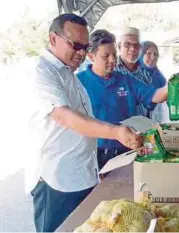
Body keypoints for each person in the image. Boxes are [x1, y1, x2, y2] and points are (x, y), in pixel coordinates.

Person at [25, 14, 142, 232]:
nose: (81, 53)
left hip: (83, 174)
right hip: (56, 179)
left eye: (85, 46)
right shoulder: (42, 72)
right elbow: (63, 116)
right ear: (53, 39)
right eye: (75, 45)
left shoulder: (69, 73)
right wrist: (116, 132)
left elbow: (85, 119)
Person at [77, 30, 168, 169]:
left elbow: (155, 95)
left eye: (114, 55)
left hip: (126, 151)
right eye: (106, 56)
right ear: (91, 56)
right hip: (92, 154)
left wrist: (173, 85)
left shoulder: (125, 80)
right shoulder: (79, 82)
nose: (112, 60)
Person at [115, 27, 153, 117]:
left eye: (136, 45)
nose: (132, 49)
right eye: (127, 44)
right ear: (119, 46)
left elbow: (151, 106)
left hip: (144, 129)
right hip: (118, 128)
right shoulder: (111, 71)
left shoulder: (145, 75)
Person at [138, 40, 169, 123]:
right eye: (148, 53)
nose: (153, 57)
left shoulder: (159, 77)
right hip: (136, 121)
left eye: (155, 54)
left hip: (155, 121)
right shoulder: (134, 75)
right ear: (141, 54)